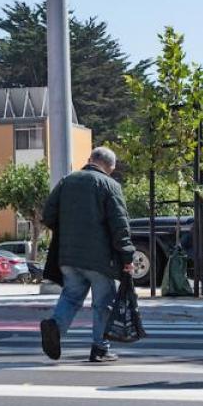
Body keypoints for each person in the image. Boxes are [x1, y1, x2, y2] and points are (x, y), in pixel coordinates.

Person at [40, 147, 135, 363]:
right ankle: (100, 348)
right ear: (111, 167)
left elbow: (48, 216)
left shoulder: (67, 181)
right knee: (104, 302)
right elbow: (120, 226)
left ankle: (55, 325)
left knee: (71, 296)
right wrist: (127, 257)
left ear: (90, 159)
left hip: (68, 256)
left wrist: (68, 233)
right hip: (99, 259)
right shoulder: (110, 185)